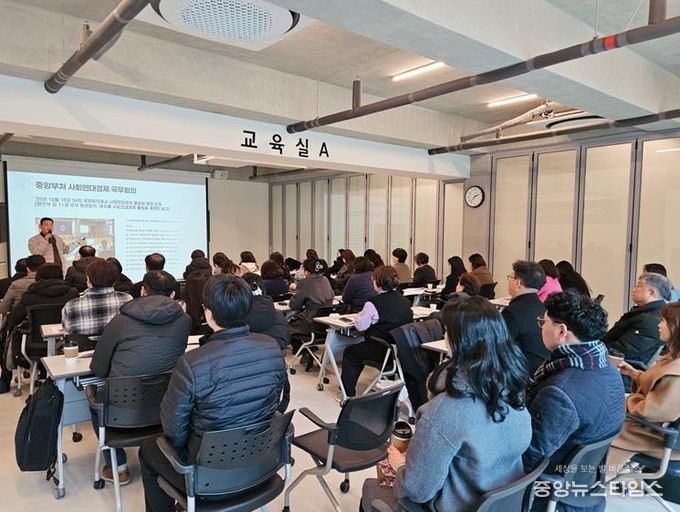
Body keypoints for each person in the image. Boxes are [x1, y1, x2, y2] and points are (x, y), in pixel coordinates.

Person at [361, 297, 531, 511]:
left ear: (458, 341)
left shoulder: (444, 410)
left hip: (458, 505)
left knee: (372, 489)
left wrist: (401, 466)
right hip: (504, 503)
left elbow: (417, 490)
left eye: (447, 331)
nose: (444, 336)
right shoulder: (513, 389)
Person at [138, 275, 286, 512]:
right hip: (261, 465)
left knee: (148, 449)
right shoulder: (271, 347)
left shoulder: (192, 362)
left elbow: (173, 429)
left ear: (208, 313)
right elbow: (279, 401)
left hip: (207, 477)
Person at [523, 292, 625, 512]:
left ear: (561, 331)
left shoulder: (559, 393)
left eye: (543, 322)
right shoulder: (609, 370)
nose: (541, 327)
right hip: (585, 485)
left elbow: (528, 458)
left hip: (550, 494)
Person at [89, 270, 191, 484]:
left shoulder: (120, 321)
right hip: (167, 408)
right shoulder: (184, 321)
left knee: (93, 399)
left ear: (143, 291)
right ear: (173, 294)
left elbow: (98, 368)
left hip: (122, 412)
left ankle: (118, 467)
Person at [607, 302, 680, 475]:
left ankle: (592, 479)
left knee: (598, 427)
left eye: (664, 321)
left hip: (658, 438)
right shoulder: (672, 357)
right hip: (651, 428)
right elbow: (659, 387)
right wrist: (635, 374)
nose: (659, 325)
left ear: (676, 328)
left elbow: (649, 411)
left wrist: (627, 399)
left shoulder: (676, 373)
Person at [340, 266, 413, 398]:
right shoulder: (405, 301)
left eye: (373, 280)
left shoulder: (372, 303)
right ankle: (387, 383)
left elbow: (361, 327)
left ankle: (347, 394)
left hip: (380, 349)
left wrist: (359, 317)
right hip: (401, 350)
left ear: (379, 282)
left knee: (350, 353)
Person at [602, 272, 671, 365]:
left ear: (651, 292)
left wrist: (594, 348)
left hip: (622, 367)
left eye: (639, 286)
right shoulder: (645, 313)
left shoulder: (650, 320)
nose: (633, 290)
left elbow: (623, 350)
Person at [62, 260, 133, 335]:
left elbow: (67, 333)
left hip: (82, 343)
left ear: (88, 280)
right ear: (115, 281)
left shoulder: (70, 307)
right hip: (120, 342)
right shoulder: (127, 300)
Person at [502, 260, 548, 375]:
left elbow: (499, 346)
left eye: (510, 277)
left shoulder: (512, 312)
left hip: (521, 373)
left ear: (517, 283)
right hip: (542, 370)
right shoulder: (544, 308)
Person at [288, 258, 335, 354]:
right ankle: (306, 352)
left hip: (310, 323)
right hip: (325, 323)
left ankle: (303, 351)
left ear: (306, 271)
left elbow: (294, 305)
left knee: (285, 325)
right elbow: (331, 296)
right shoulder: (325, 280)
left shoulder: (305, 282)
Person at [0, 254, 45, 320]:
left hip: (22, 322)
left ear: (28, 269)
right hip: (51, 322)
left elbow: (3, 309)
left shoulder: (17, 285)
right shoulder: (51, 283)